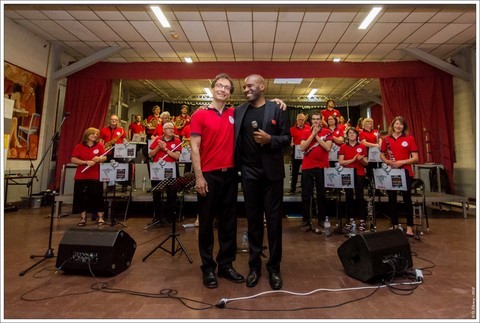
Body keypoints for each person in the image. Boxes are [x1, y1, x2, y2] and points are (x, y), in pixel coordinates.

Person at [234, 74, 290, 290]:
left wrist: (270, 140)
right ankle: (254, 267)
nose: (246, 88)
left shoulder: (278, 108)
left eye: (250, 85)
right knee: (253, 222)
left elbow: (287, 139)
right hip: (248, 173)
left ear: (262, 86)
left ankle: (274, 268)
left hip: (272, 174)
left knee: (274, 222)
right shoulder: (239, 111)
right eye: (244, 86)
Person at [190, 73, 244, 289]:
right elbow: (194, 147)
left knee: (229, 224)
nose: (222, 89)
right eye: (219, 86)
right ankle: (208, 268)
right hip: (208, 176)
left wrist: (277, 102)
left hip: (230, 175)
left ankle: (226, 265)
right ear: (213, 89)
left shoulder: (235, 113)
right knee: (205, 225)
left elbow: (257, 105)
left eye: (227, 87)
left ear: (230, 93)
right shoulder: (200, 115)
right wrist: (199, 176)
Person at [380, 116, 418, 237]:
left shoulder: (409, 138)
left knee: (407, 200)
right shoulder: (386, 139)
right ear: (393, 125)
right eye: (396, 124)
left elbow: (415, 158)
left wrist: (402, 162)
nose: (398, 126)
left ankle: (410, 227)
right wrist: (387, 161)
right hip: (391, 171)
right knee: (392, 200)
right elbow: (381, 154)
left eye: (401, 124)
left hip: (405, 171)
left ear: (404, 127)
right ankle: (394, 225)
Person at [299, 111, 333, 232]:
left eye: (318, 119)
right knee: (306, 194)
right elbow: (302, 147)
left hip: (322, 166)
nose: (316, 121)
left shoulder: (327, 132)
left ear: (321, 119)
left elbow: (328, 147)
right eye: (313, 119)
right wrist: (312, 135)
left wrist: (317, 135)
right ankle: (306, 220)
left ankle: (321, 219)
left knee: (321, 195)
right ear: (311, 120)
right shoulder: (305, 131)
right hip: (307, 166)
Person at [70, 127, 107, 226]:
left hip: (95, 175)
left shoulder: (99, 146)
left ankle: (100, 217)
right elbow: (73, 159)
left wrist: (99, 159)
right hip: (81, 176)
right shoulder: (79, 146)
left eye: (96, 134)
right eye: (93, 134)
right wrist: (85, 162)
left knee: (98, 197)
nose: (95, 136)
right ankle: (83, 218)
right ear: (87, 135)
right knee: (82, 198)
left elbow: (104, 157)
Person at [148, 122, 182, 226]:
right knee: (156, 193)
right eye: (169, 128)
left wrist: (165, 149)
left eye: (173, 128)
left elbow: (176, 157)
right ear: (164, 130)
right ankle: (157, 217)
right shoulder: (157, 139)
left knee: (172, 194)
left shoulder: (177, 140)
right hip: (157, 169)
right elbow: (150, 155)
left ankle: (170, 217)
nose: (172, 130)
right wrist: (158, 148)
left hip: (170, 169)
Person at [338, 127, 368, 232]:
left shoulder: (362, 146)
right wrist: (353, 159)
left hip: (359, 173)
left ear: (357, 135)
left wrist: (361, 160)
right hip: (347, 174)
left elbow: (366, 163)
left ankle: (362, 220)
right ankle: (350, 220)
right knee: (349, 196)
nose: (351, 134)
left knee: (360, 196)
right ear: (347, 135)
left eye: (353, 133)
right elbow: (341, 162)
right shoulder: (343, 147)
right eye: (350, 133)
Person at [288, 113, 310, 195]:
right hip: (295, 152)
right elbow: (290, 139)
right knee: (295, 171)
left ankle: (305, 189)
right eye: (300, 119)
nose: (301, 121)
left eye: (303, 120)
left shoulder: (308, 128)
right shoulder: (292, 129)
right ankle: (293, 189)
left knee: (305, 172)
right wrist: (291, 144)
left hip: (306, 152)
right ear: (296, 120)